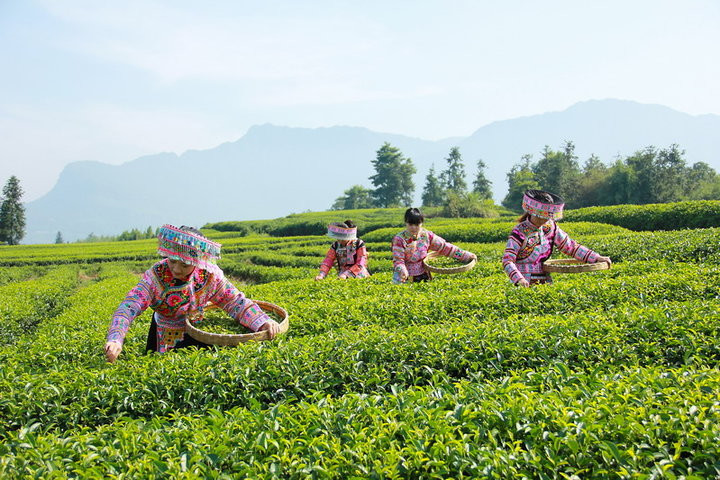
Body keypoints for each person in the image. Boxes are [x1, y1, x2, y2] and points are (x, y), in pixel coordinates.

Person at [104, 225, 281, 362]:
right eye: (173, 261)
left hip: (198, 331)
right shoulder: (156, 276)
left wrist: (262, 321)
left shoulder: (209, 276)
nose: (176, 269)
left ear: (197, 262)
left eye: (185, 264)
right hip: (164, 332)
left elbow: (235, 302)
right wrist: (115, 338)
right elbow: (129, 306)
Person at [502, 189, 612, 286]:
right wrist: (519, 279)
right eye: (543, 216)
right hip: (522, 283)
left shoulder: (550, 227)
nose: (546, 219)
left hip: (544, 282)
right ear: (533, 212)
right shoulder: (519, 231)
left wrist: (596, 257)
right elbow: (507, 260)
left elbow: (571, 247)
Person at [392, 207, 476, 284]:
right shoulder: (399, 239)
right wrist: (402, 270)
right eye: (410, 224)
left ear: (421, 223)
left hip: (423, 274)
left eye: (417, 225)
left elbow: (445, 247)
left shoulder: (427, 235)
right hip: (404, 276)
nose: (413, 228)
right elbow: (398, 259)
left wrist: (465, 255)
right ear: (406, 223)